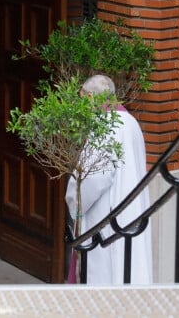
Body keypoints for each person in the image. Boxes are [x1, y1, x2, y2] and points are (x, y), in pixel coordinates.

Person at [65, 74, 152, 284]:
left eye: (83, 99)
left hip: (107, 216)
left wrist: (74, 201)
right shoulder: (130, 121)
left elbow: (94, 180)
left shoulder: (106, 127)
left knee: (107, 275)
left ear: (92, 98)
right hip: (129, 211)